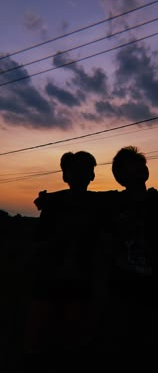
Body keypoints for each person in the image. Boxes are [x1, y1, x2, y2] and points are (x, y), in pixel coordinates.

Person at [98, 145, 158, 354]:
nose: (142, 169)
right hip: (123, 292)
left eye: (142, 164)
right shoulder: (114, 203)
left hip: (156, 292)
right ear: (121, 175)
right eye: (134, 165)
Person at [25, 150, 107, 355]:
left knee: (74, 341)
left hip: (80, 283)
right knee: (41, 340)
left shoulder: (98, 203)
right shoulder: (52, 207)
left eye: (85, 170)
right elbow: (37, 245)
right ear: (65, 175)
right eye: (74, 170)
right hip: (50, 282)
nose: (79, 175)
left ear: (92, 175)